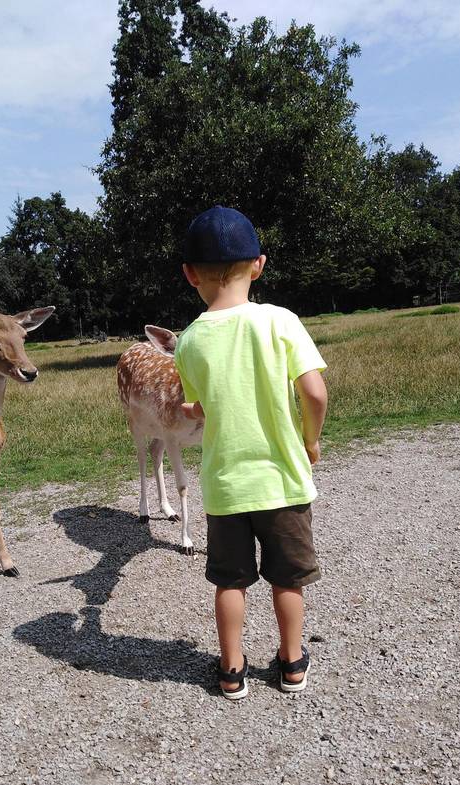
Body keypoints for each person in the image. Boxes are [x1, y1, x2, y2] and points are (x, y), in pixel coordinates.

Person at [174, 206, 328, 700]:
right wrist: (310, 439)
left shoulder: (190, 340)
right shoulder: (281, 321)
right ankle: (291, 664)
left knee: (230, 582)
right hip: (282, 480)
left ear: (190, 274)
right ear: (258, 265)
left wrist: (197, 407)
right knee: (287, 580)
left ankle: (231, 670)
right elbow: (315, 393)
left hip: (225, 485)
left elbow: (203, 403)